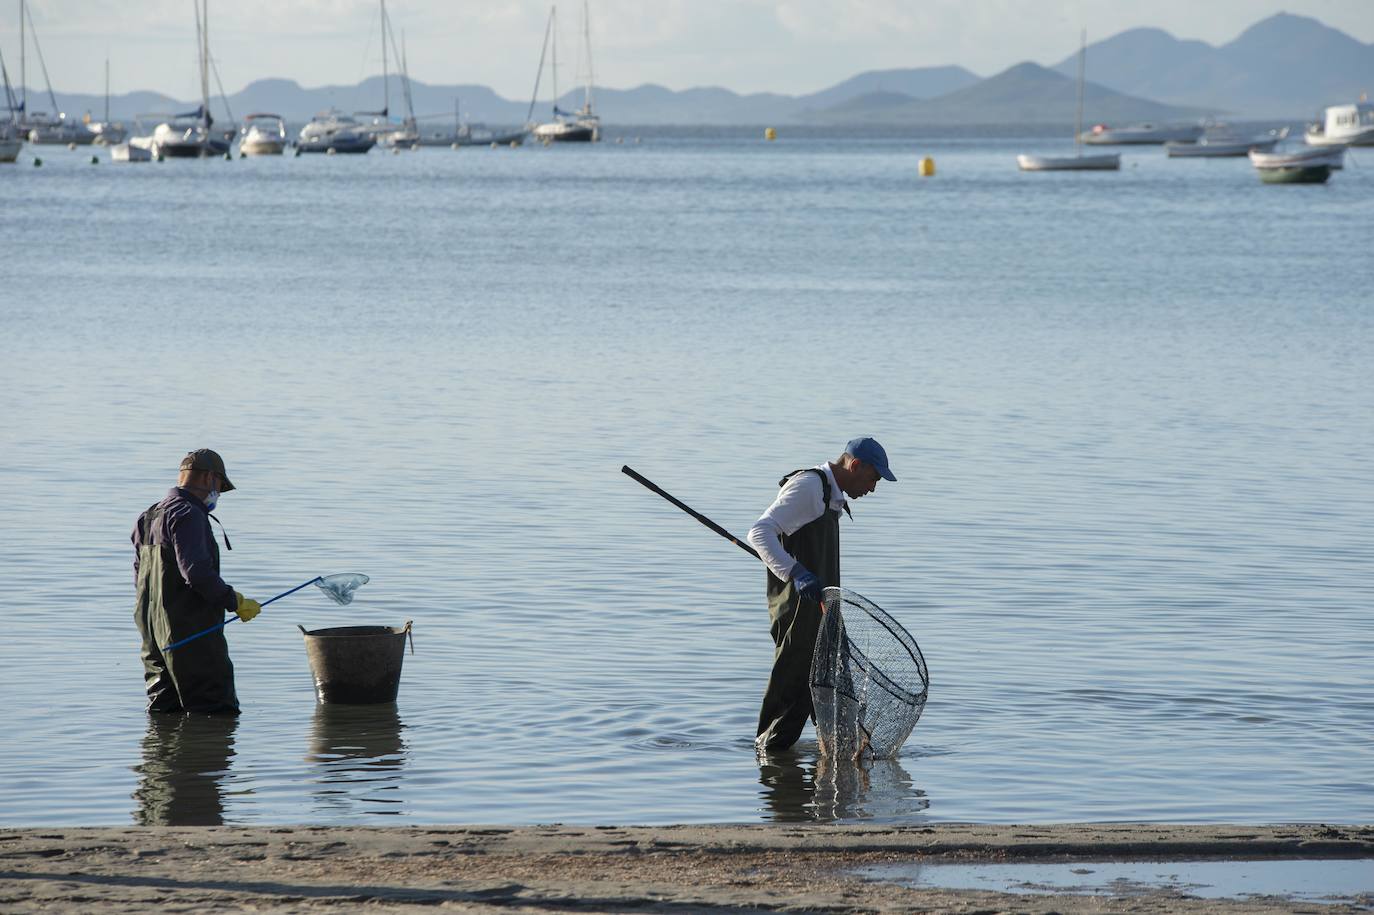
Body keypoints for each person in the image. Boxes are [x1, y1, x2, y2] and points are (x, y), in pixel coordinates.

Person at [747, 437, 895, 753]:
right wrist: (795, 572)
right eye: (873, 478)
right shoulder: (810, 487)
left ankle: (839, 763)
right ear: (855, 465)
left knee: (833, 696)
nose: (873, 488)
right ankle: (772, 771)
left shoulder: (831, 495)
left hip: (825, 612)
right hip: (800, 613)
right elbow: (760, 532)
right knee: (792, 696)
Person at [131, 449, 262, 715]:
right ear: (209, 479)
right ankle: (205, 758)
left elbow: (139, 578)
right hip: (191, 636)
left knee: (164, 714)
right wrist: (233, 601)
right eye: (220, 487)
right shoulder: (188, 513)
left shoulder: (148, 516)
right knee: (214, 713)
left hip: (153, 638)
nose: (218, 494)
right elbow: (196, 573)